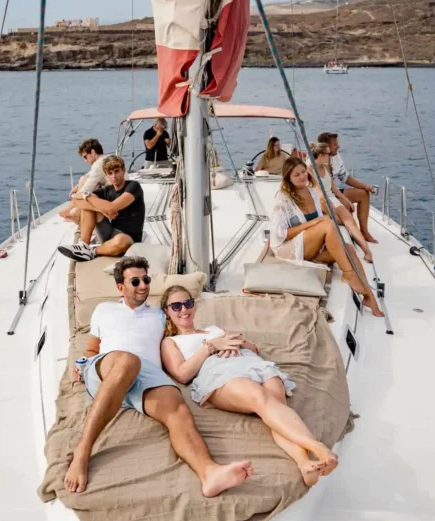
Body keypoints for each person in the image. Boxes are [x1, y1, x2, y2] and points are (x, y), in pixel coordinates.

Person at [64, 256, 253, 495]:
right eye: (135, 281)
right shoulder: (104, 310)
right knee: (127, 360)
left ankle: (209, 473)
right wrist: (80, 364)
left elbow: (186, 333)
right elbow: (92, 348)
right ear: (120, 287)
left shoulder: (160, 315)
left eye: (146, 279)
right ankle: (83, 451)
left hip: (147, 376)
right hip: (110, 365)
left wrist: (220, 343)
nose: (143, 285)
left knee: (178, 410)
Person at [160, 286, 338, 487]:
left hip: (252, 363)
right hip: (220, 372)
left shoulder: (213, 330)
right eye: (176, 306)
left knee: (277, 409)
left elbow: (253, 348)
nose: (184, 309)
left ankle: (304, 462)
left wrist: (239, 343)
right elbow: (182, 374)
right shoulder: (171, 342)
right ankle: (318, 448)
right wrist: (211, 347)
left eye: (188, 303)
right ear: (167, 311)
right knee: (261, 399)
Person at [271, 155, 383, 316]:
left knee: (349, 249)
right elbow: (281, 234)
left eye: (303, 172)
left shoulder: (311, 192)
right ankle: (348, 274)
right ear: (288, 179)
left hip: (311, 245)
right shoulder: (283, 199)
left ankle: (369, 298)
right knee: (327, 224)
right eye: (296, 175)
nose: (302, 176)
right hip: (289, 248)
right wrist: (314, 222)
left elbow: (322, 221)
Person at [58, 155, 144, 262]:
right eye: (110, 173)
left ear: (123, 171)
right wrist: (93, 201)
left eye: (117, 171)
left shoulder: (133, 187)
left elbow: (112, 208)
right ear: (106, 175)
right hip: (109, 232)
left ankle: (93, 252)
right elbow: (76, 200)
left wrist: (92, 199)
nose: (114, 176)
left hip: (128, 238)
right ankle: (84, 246)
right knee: (88, 204)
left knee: (121, 241)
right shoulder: (107, 190)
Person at [309, 142, 373, 263]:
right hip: (319, 201)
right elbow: (319, 192)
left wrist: (346, 200)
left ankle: (367, 251)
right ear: (321, 155)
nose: (330, 156)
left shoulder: (325, 167)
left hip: (331, 198)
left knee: (350, 221)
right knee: (344, 220)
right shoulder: (310, 170)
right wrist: (332, 205)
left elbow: (334, 189)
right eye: (328, 154)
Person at [317, 132, 378, 244]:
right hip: (322, 197)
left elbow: (345, 177)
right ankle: (351, 234)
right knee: (345, 205)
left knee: (363, 194)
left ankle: (364, 232)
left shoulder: (336, 157)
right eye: (335, 144)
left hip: (334, 192)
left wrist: (365, 186)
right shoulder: (315, 161)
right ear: (326, 147)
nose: (338, 146)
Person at [59, 139, 107, 222]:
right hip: (112, 191)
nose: (85, 161)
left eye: (85, 157)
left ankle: (76, 213)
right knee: (83, 179)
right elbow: (89, 175)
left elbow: (86, 190)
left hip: (112, 196)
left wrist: (69, 207)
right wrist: (77, 186)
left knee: (85, 196)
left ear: (93, 152)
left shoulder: (98, 165)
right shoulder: (106, 159)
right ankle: (76, 212)